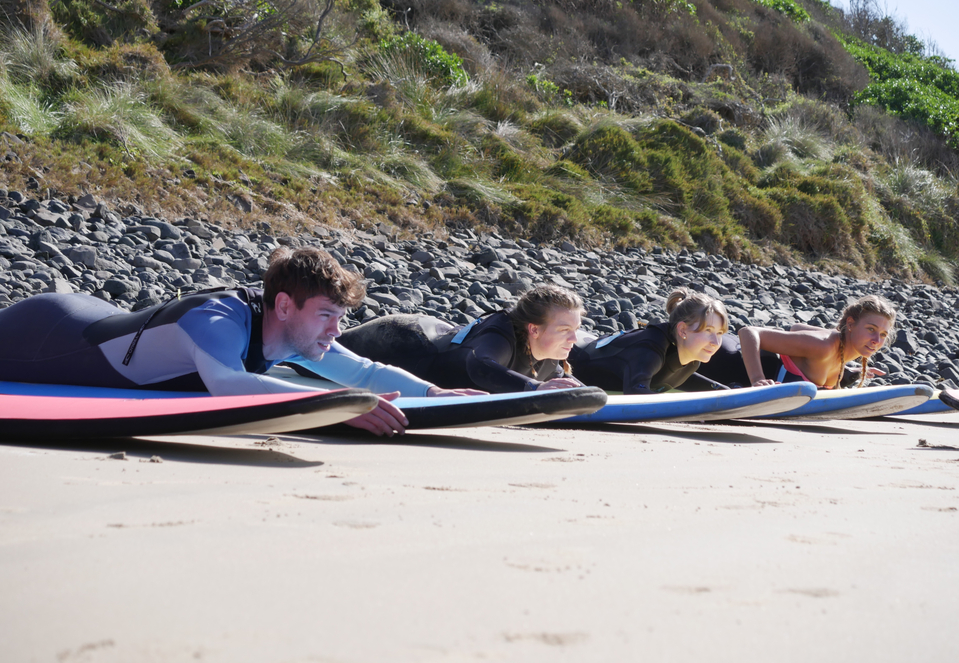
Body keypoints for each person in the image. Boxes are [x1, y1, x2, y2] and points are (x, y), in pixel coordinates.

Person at [0, 246, 480, 436]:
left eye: (340, 317)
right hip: (48, 336)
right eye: (328, 316)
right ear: (286, 305)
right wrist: (343, 404)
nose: (336, 330)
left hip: (95, 318)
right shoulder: (218, 320)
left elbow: (363, 372)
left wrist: (436, 394)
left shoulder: (296, 332)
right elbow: (228, 385)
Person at [336, 284, 586, 393]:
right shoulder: (500, 333)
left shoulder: (549, 358)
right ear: (534, 329)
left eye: (576, 329)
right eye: (565, 330)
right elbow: (478, 366)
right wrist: (535, 388)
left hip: (438, 329)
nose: (574, 338)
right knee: (322, 350)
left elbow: (568, 386)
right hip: (405, 342)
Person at [693, 294, 897, 389]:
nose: (876, 340)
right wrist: (757, 379)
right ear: (850, 324)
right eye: (871, 329)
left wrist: (849, 371)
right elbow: (748, 332)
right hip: (722, 361)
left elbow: (796, 328)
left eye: (882, 335)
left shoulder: (840, 351)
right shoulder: (824, 345)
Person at [567, 288, 728, 394]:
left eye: (720, 333)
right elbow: (636, 393)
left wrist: (724, 392)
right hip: (571, 357)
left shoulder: (691, 360)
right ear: (683, 330)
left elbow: (671, 376)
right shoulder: (650, 348)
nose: (715, 342)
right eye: (708, 331)